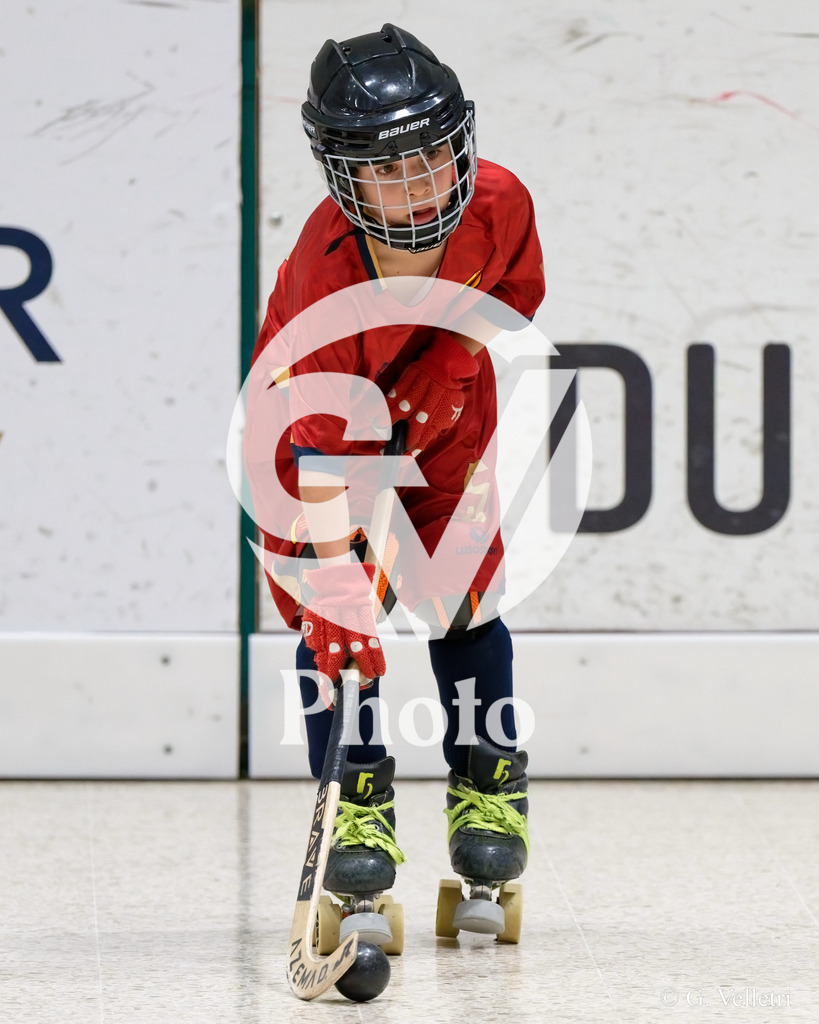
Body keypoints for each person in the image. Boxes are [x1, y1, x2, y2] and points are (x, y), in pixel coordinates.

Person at [246, 23, 544, 941]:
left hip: (446, 414)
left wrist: (450, 362)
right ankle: (358, 797)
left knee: (459, 596)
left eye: (431, 156)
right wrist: (336, 579)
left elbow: (512, 296)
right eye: (388, 168)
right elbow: (321, 455)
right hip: (315, 438)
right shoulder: (324, 279)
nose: (418, 186)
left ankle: (487, 787)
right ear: (342, 176)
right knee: (336, 623)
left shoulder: (496, 201)